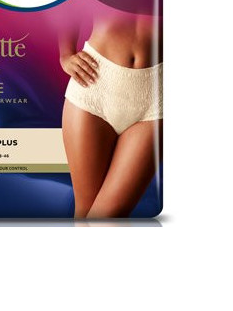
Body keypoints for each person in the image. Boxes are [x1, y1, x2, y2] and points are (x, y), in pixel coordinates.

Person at [60, 12, 162, 218]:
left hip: (155, 94)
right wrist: (65, 55)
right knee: (84, 213)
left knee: (107, 218)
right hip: (95, 81)